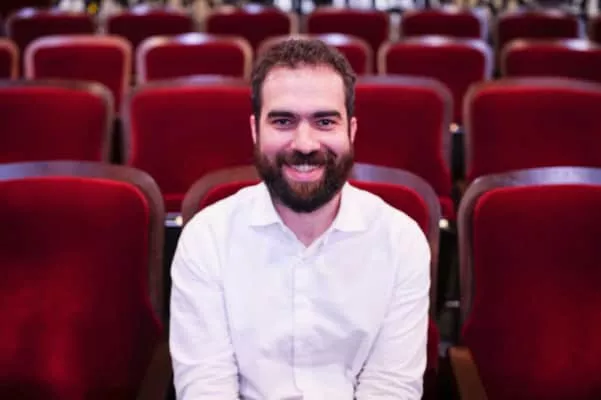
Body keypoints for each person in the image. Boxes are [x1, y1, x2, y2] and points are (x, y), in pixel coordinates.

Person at [169, 38, 431, 399]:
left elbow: (391, 388)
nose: (305, 144)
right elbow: (206, 387)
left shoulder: (401, 241)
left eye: (324, 121)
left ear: (351, 131)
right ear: (255, 131)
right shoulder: (207, 238)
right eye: (283, 121)